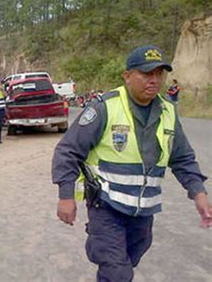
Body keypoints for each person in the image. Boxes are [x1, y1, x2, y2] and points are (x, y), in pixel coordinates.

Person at [52, 45, 211, 281]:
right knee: (117, 271)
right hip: (106, 207)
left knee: (125, 263)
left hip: (144, 211)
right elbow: (67, 151)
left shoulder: (167, 110)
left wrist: (198, 193)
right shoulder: (104, 107)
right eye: (147, 73)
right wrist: (66, 196)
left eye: (159, 74)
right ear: (127, 76)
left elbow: (182, 157)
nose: (154, 80)